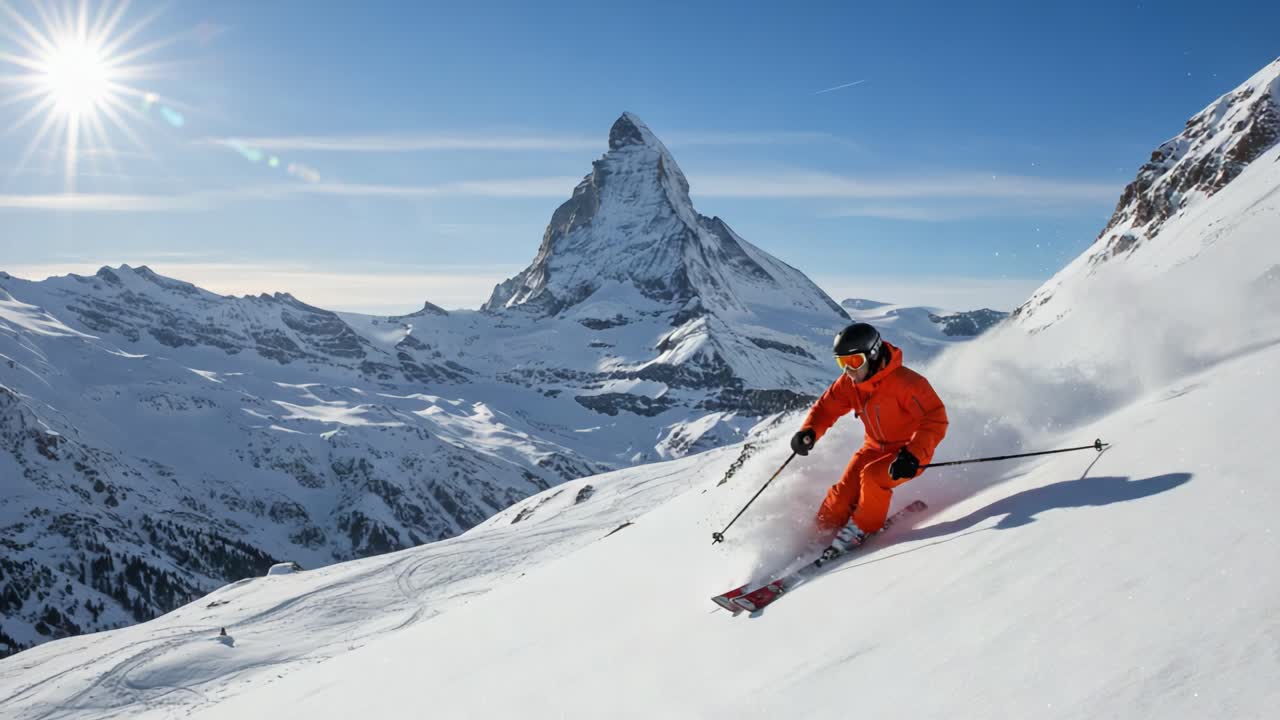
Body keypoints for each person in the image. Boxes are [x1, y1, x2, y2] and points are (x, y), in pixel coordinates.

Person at [790, 322, 948, 552]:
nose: (848, 370)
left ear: (873, 355)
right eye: (842, 363)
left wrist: (914, 454)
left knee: (873, 477)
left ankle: (862, 529)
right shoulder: (850, 384)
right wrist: (810, 431)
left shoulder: (907, 383)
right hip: (873, 448)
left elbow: (935, 418)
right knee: (841, 496)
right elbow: (826, 408)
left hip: (907, 455)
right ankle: (819, 536)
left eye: (854, 362)